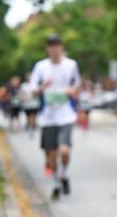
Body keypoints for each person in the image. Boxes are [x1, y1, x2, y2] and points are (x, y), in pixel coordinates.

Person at [29, 34, 81, 201]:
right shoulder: (41, 67)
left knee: (64, 150)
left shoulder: (71, 65)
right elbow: (33, 90)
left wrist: (71, 91)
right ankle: (57, 183)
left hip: (66, 115)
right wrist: (44, 86)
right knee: (50, 155)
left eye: (57, 45)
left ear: (61, 47)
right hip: (47, 116)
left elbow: (77, 85)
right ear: (47, 48)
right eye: (51, 45)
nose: (54, 49)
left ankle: (64, 174)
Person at [20, 71, 40, 137]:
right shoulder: (23, 85)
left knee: (32, 116)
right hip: (27, 104)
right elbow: (21, 94)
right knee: (28, 117)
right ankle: (30, 126)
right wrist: (23, 98)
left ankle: (31, 128)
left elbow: (38, 94)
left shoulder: (35, 85)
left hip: (34, 103)